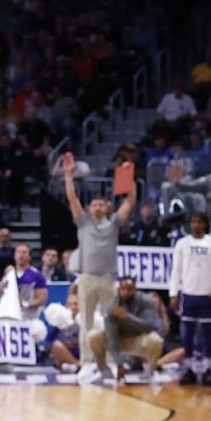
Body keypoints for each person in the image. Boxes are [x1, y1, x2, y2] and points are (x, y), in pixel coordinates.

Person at [59, 151, 133, 384]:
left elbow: (130, 201)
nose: (98, 206)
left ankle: (112, 360)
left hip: (108, 279)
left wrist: (129, 179)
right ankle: (88, 362)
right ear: (90, 209)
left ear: (107, 207)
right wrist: (69, 176)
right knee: (86, 322)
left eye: (102, 203)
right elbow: (72, 199)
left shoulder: (113, 223)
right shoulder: (83, 222)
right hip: (88, 277)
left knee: (111, 321)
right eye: (94, 204)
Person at [170, 212, 211, 387]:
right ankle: (189, 369)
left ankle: (208, 368)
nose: (196, 225)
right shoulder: (182, 244)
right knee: (187, 334)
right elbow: (176, 270)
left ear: (206, 224)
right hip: (188, 293)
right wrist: (173, 293)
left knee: (207, 333)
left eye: (200, 222)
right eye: (193, 221)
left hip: (207, 294)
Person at [86, 277, 167, 383]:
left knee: (156, 340)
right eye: (123, 289)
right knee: (92, 336)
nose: (126, 292)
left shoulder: (146, 301)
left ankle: (150, 372)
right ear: (119, 290)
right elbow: (111, 337)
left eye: (129, 289)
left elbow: (149, 327)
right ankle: (104, 371)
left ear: (135, 289)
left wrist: (127, 317)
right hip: (119, 340)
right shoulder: (112, 306)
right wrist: (119, 364)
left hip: (139, 338)